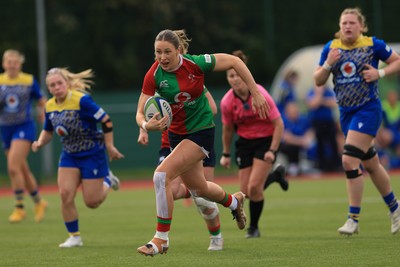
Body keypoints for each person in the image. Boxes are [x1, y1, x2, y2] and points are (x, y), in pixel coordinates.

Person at [135, 29, 269, 256]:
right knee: (200, 189)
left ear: (179, 50)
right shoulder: (154, 74)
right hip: (177, 135)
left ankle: (161, 239)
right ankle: (234, 202)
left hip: (201, 132)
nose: (162, 57)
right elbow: (140, 112)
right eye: (158, 52)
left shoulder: (196, 64)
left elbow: (235, 61)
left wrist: (255, 92)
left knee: (161, 175)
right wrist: (147, 126)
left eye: (167, 52)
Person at [313, 7, 400, 235]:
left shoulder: (372, 44)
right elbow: (318, 80)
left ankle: (353, 218)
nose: (348, 27)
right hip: (346, 113)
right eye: (344, 23)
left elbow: (397, 62)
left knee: (349, 161)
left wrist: (379, 73)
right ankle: (395, 208)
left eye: (352, 23)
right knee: (371, 163)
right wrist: (327, 64)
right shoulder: (331, 48)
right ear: (339, 26)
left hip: (368, 110)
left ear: (361, 26)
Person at [31, 67, 124, 247]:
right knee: (65, 194)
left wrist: (110, 146)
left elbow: (106, 120)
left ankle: (108, 180)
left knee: (92, 202)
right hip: (70, 155)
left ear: (67, 83)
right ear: (48, 89)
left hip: (92, 153)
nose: (57, 87)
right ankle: (74, 236)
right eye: (52, 85)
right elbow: (48, 130)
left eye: (59, 83)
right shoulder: (49, 105)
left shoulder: (82, 100)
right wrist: (40, 142)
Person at [137, 89, 224, 251]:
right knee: (175, 190)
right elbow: (144, 111)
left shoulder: (191, 79)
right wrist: (144, 129)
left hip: (197, 137)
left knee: (203, 197)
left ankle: (216, 236)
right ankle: (162, 237)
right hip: (171, 144)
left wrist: (183, 114)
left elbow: (213, 109)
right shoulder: (156, 84)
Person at [219, 50, 287, 238]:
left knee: (255, 188)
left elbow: (279, 124)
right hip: (245, 144)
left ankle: (254, 228)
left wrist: (273, 150)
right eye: (231, 75)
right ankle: (274, 177)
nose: (235, 79)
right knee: (245, 192)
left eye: (238, 74)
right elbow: (227, 129)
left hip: (265, 141)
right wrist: (225, 154)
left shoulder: (260, 93)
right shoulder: (227, 102)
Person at [0, 49, 48, 223]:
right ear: (4, 64)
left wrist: (42, 112)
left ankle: (19, 207)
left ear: (20, 64)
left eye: (15, 61)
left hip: (24, 126)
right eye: (9, 61)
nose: (12, 64)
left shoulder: (28, 80)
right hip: (5, 128)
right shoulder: (0, 81)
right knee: (22, 169)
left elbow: (42, 100)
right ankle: (39, 201)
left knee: (13, 167)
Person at [305, 84, 341, 172]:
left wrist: (321, 101)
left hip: (328, 121)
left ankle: (336, 165)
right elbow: (313, 104)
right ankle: (322, 166)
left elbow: (334, 103)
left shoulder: (329, 91)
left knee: (333, 143)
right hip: (317, 122)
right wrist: (319, 95)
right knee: (319, 143)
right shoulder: (311, 91)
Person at [280, 102, 314, 176]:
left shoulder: (302, 119)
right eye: (292, 112)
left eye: (295, 111)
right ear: (287, 112)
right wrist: (301, 141)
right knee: (292, 147)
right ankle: (293, 166)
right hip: (287, 146)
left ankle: (312, 164)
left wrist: (308, 139)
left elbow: (310, 131)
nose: (294, 113)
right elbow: (287, 138)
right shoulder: (283, 121)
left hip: (302, 142)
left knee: (313, 144)